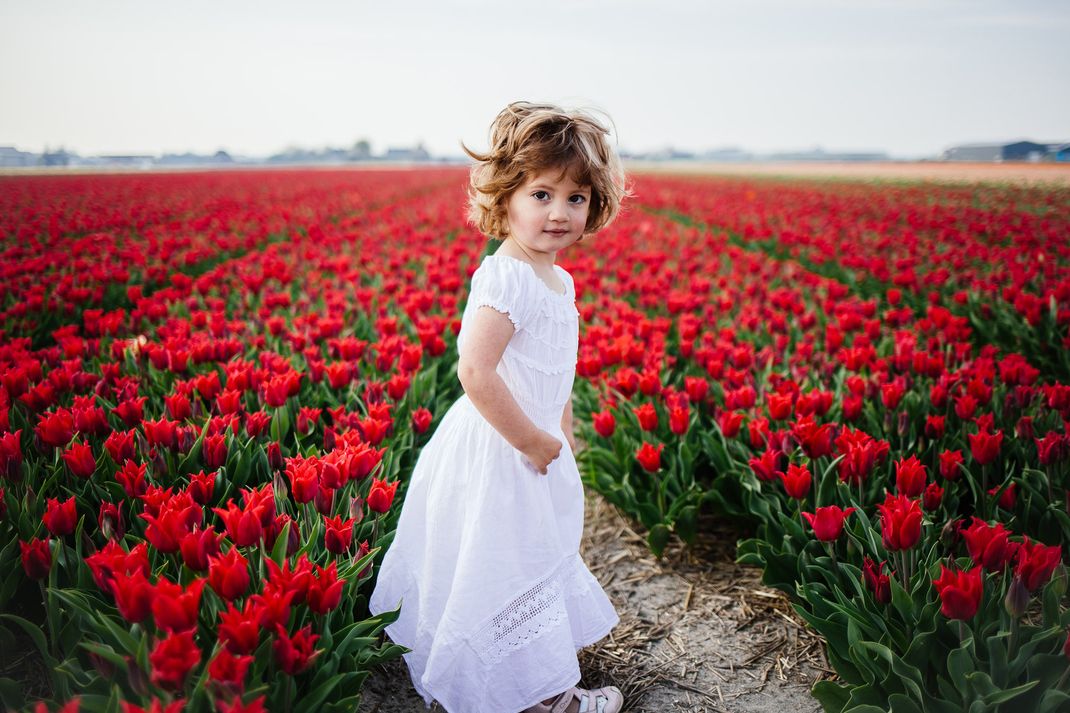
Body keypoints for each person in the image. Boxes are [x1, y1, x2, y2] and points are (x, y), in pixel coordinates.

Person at [369, 101, 630, 713]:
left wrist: (561, 435)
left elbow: (552, 372)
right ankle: (543, 700)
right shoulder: (507, 277)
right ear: (505, 197)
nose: (559, 213)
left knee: (529, 556)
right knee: (504, 563)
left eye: (577, 198)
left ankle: (523, 682)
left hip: (532, 444)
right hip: (499, 446)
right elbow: (475, 371)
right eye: (541, 194)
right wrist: (533, 442)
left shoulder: (556, 279)